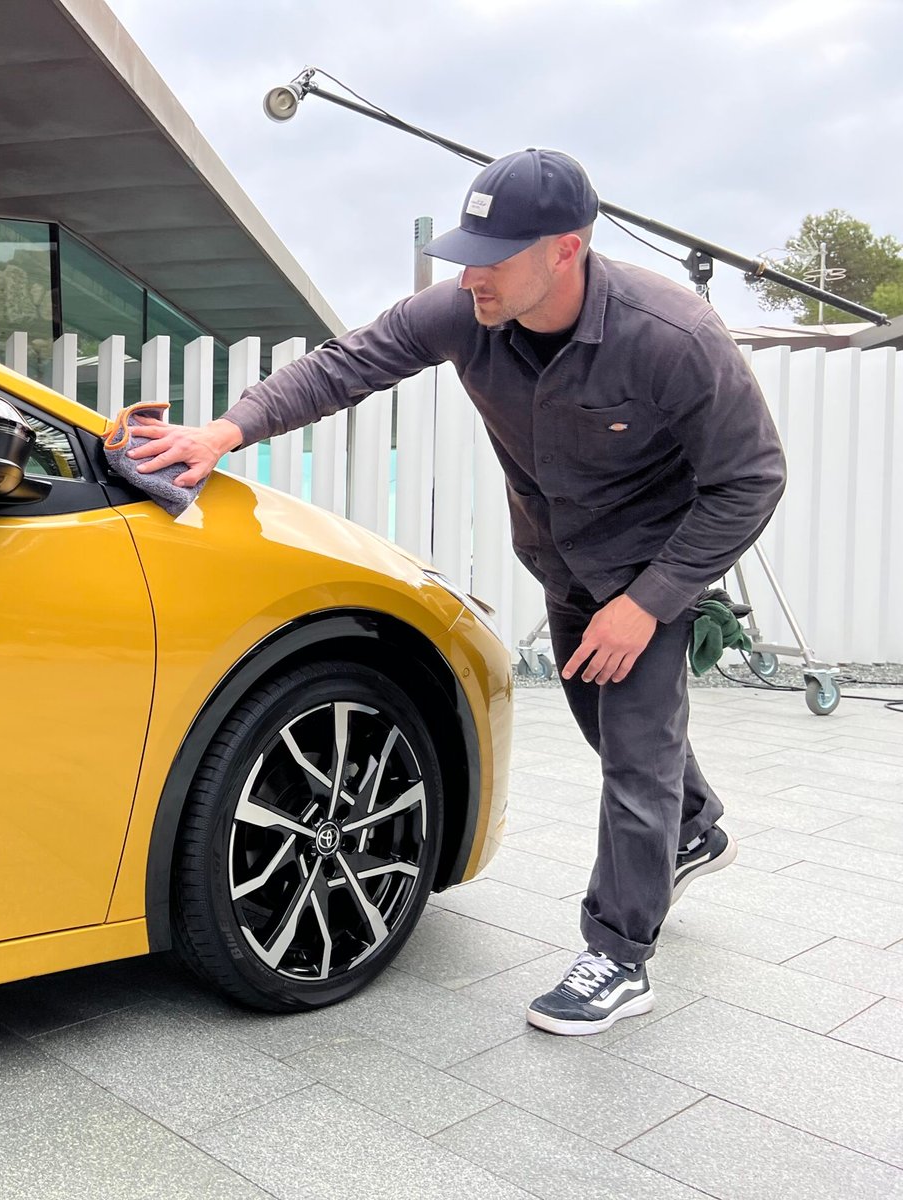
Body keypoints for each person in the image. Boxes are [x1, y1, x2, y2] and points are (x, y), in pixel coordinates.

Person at [125, 148, 786, 1035]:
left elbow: (750, 478)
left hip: (650, 569)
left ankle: (619, 956)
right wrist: (225, 432)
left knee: (636, 752)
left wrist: (651, 602)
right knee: (604, 721)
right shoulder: (466, 313)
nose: (469, 271)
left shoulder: (672, 335)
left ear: (566, 249)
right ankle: (696, 827)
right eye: (466, 249)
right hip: (561, 560)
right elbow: (344, 365)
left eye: (494, 253)